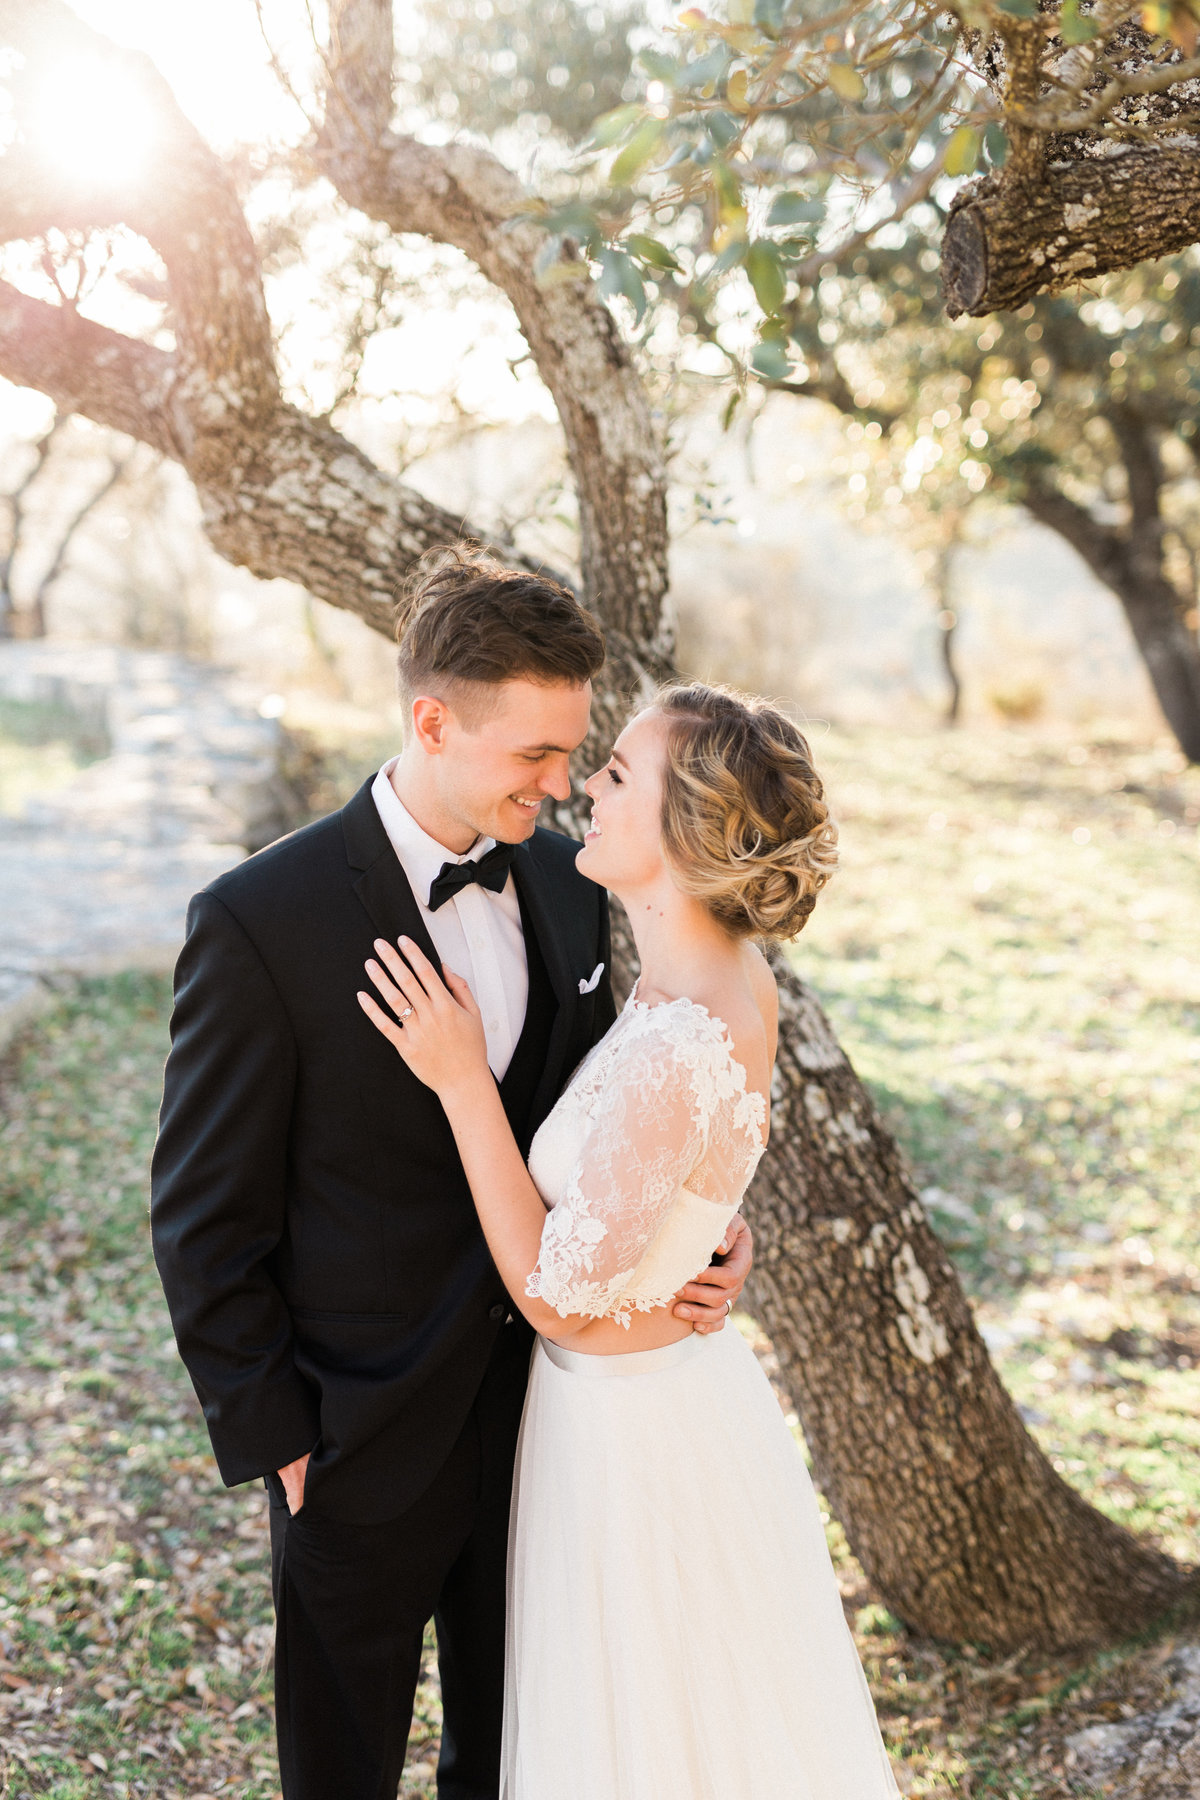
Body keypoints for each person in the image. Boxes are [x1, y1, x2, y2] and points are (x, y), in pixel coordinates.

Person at [149, 547, 752, 1800]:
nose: (566, 783)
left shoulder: (567, 885)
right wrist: (282, 1442)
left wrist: (701, 1241)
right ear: (431, 720)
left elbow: (618, 1121)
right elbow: (203, 1218)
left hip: (550, 1421)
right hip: (355, 1435)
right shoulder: (263, 920)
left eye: (575, 750)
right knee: (343, 1767)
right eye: (534, 755)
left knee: (520, 1760)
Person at [360, 680, 901, 1800]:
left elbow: (563, 1299)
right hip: (656, 1400)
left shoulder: (682, 1029)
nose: (584, 793)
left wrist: (463, 1082)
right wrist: (704, 1228)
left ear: (685, 828)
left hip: (629, 1439)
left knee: (647, 1742)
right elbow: (668, 1171)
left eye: (616, 778)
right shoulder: (705, 981)